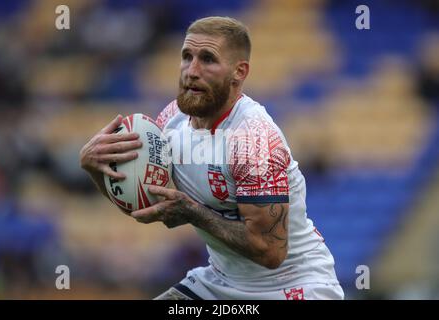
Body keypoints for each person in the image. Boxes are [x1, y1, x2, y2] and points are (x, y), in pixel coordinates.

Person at [80, 16, 344, 300]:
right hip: (220, 283)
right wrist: (96, 170)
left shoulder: (255, 140)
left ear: (239, 73)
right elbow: (146, 208)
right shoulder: (170, 122)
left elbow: (270, 252)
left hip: (292, 287)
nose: (191, 71)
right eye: (186, 56)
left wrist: (193, 212)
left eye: (207, 59)